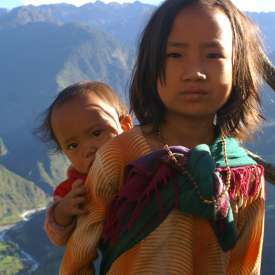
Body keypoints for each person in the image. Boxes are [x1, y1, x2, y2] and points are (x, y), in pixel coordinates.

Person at [59, 0, 268, 274]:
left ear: (238, 66)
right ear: (150, 64)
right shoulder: (119, 156)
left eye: (214, 54)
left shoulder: (245, 176)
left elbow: (246, 265)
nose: (195, 72)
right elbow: (78, 257)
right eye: (175, 55)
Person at [36, 81, 132, 246]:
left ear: (124, 126)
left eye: (96, 133)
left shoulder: (144, 156)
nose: (88, 149)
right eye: (73, 145)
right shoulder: (75, 187)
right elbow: (56, 237)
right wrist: (64, 210)